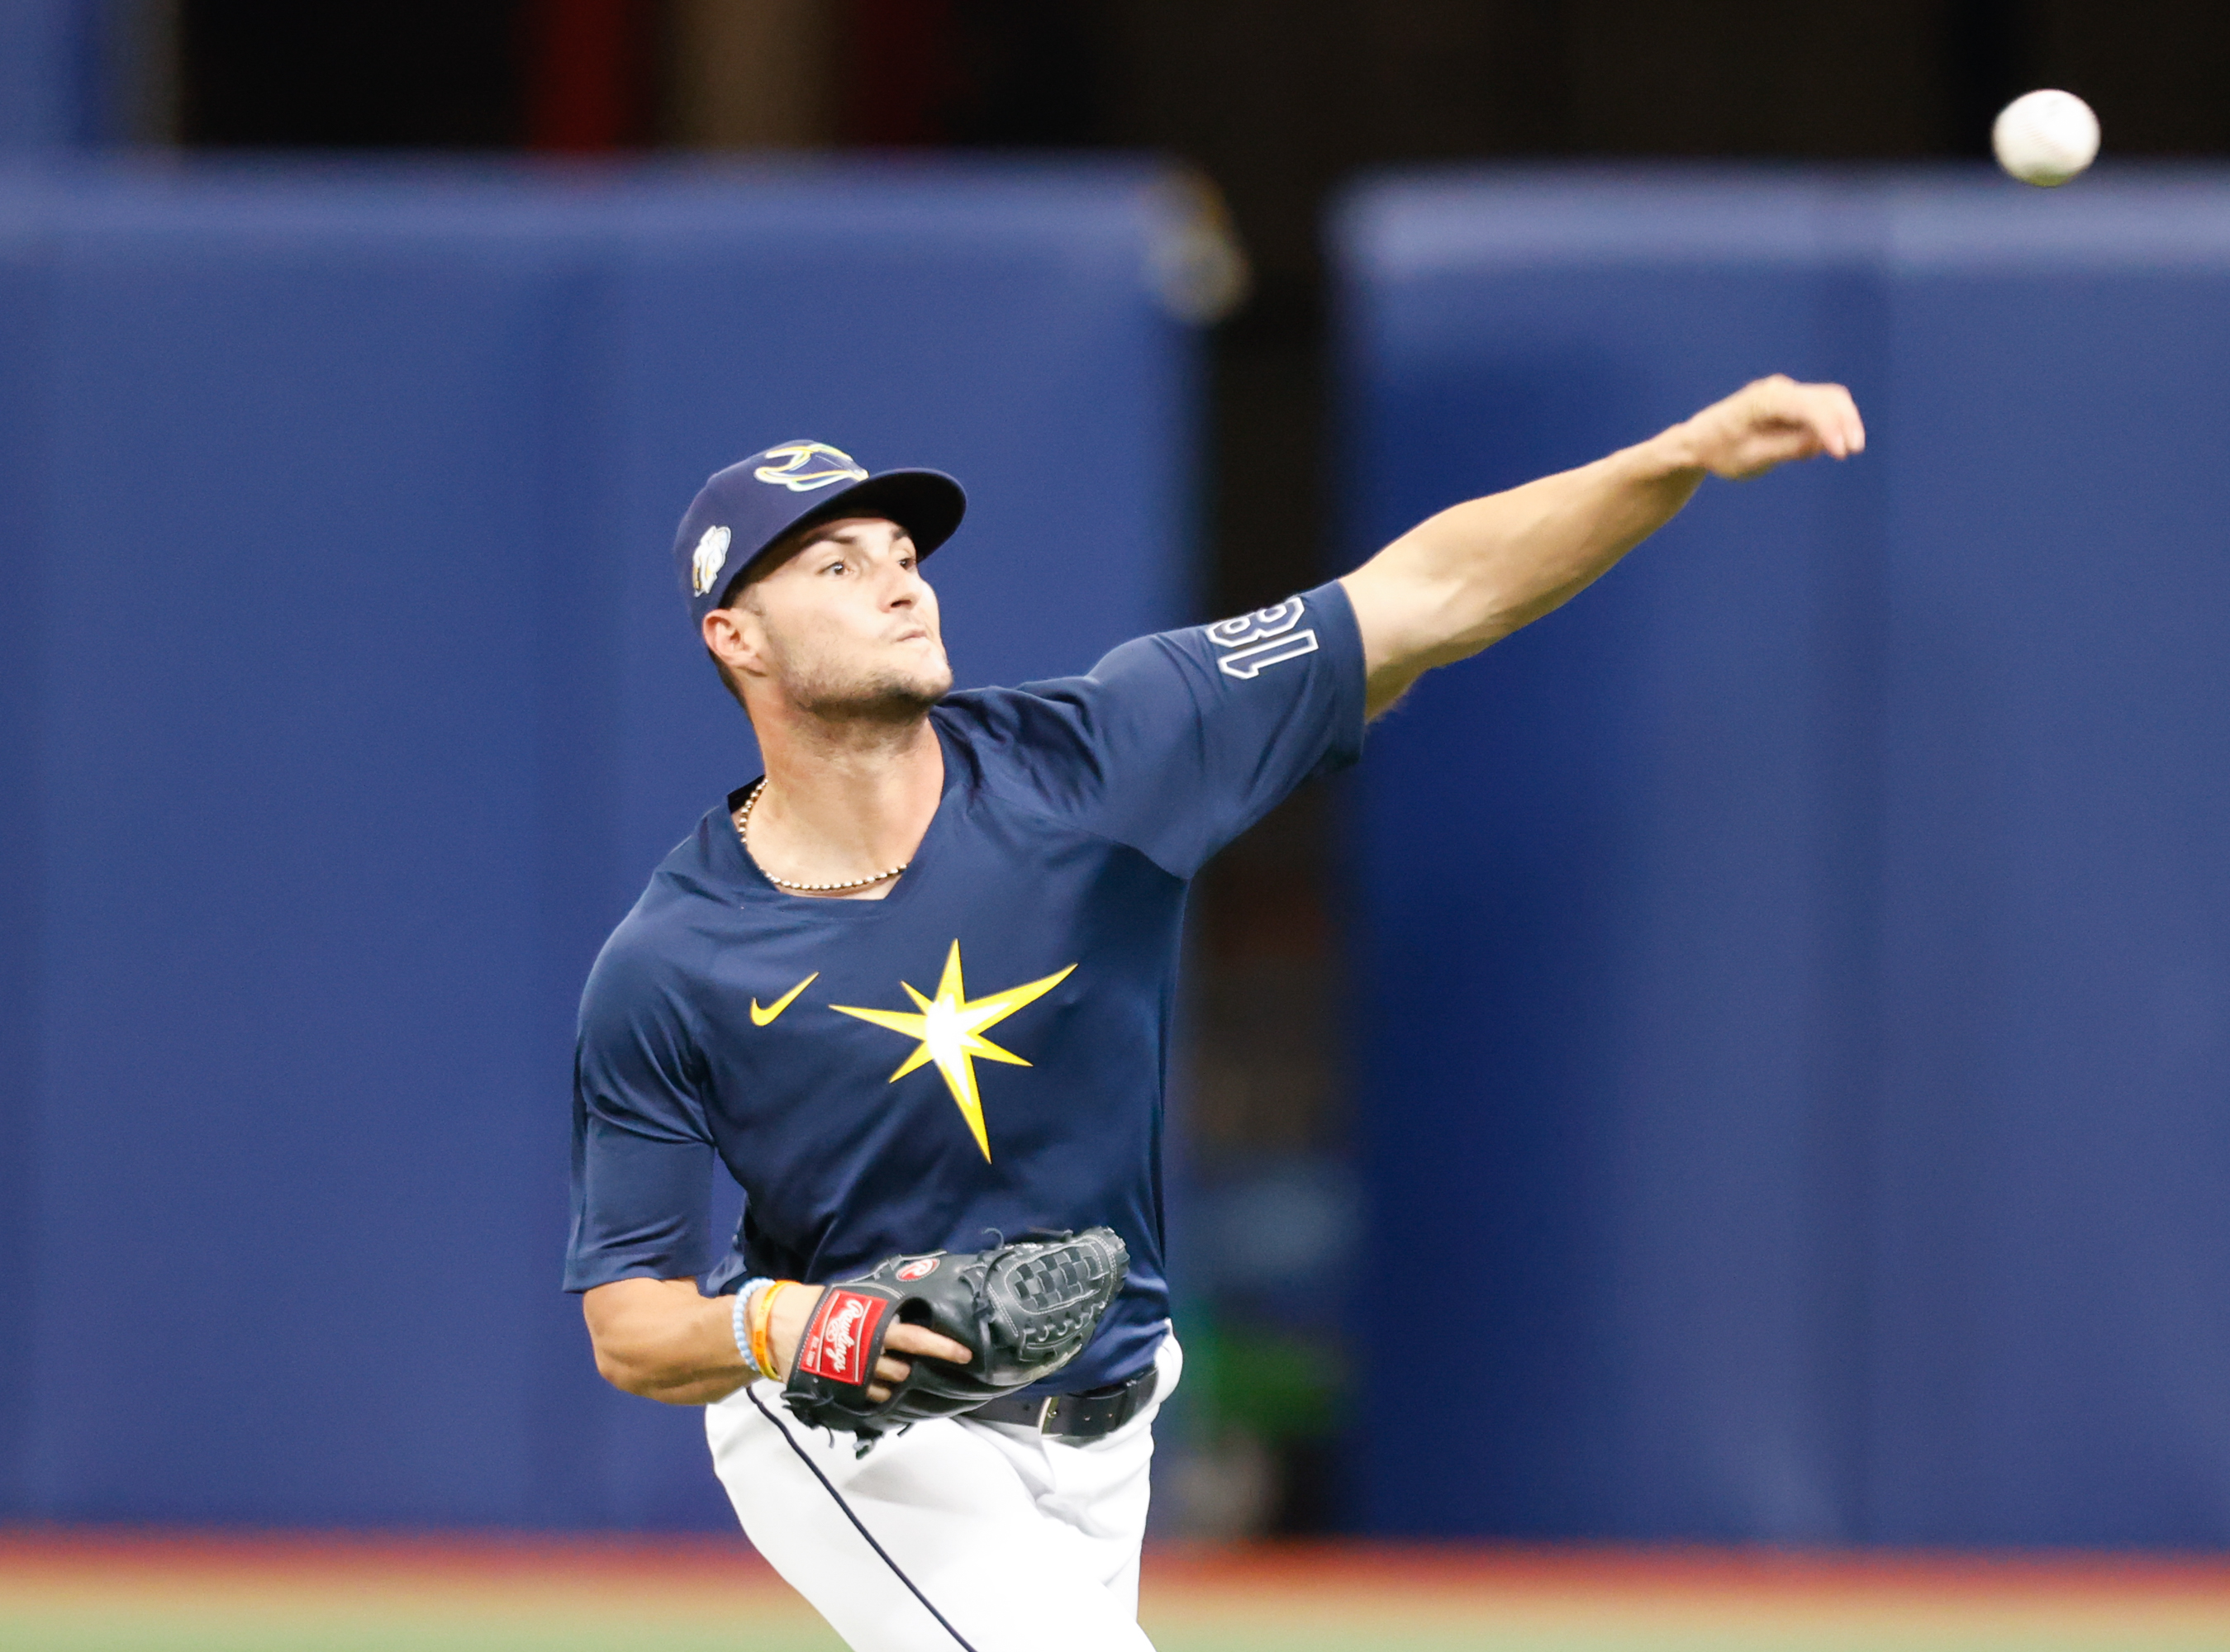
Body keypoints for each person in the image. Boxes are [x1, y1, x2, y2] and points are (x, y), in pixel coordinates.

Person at [565, 381, 1865, 1652]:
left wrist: (1675, 456)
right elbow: (630, 1321)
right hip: (861, 1433)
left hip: (1111, 1421)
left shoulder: (1098, 760)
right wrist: (779, 1323)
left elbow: (1430, 593)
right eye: (837, 567)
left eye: (904, 553)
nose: (902, 581)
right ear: (736, 637)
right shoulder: (675, 958)